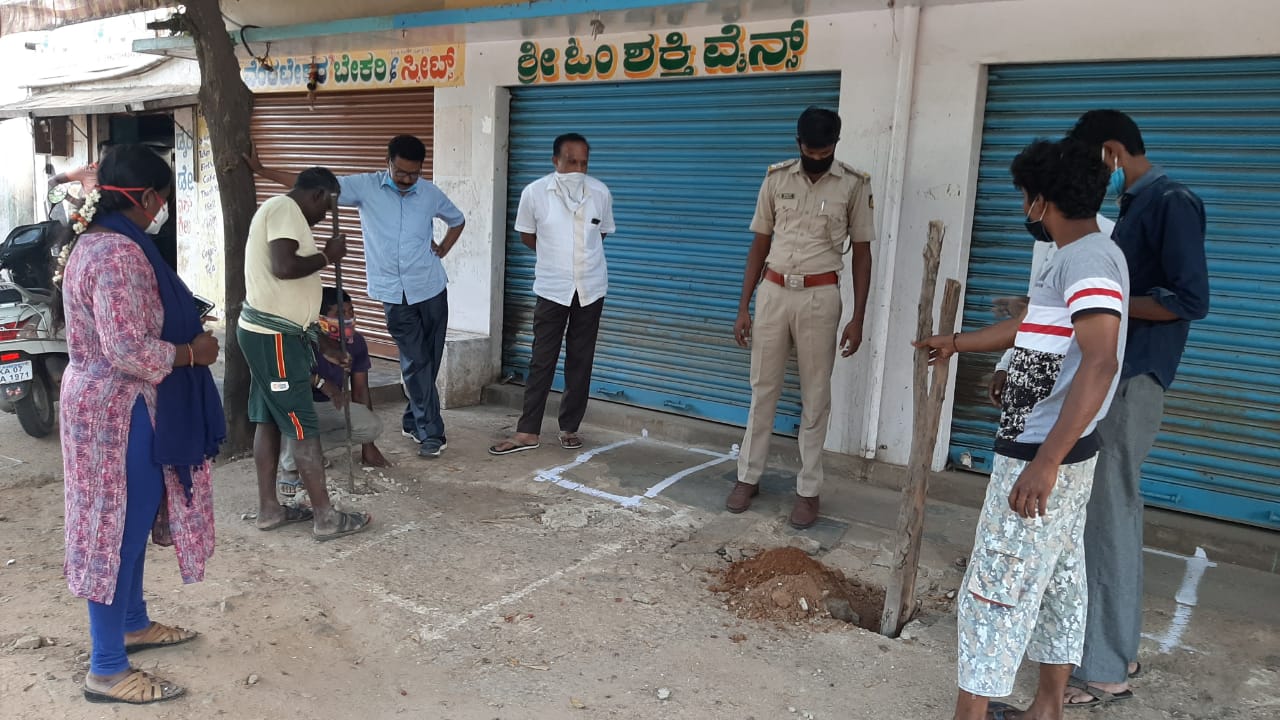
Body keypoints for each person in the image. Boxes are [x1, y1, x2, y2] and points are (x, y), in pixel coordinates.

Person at [916, 137, 1128, 720]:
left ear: (1041, 201)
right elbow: (1032, 327)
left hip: (1040, 453)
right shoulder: (1078, 253)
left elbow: (1102, 359)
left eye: (1024, 199)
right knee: (1060, 580)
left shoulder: (1087, 260)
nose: (1024, 209)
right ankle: (1047, 709)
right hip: (1058, 451)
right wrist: (956, 344)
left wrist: (1045, 461)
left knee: (994, 588)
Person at [56, 144, 225, 704]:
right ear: (149, 197)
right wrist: (193, 352)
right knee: (115, 534)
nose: (161, 210)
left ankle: (132, 622)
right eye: (162, 200)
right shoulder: (119, 255)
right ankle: (106, 667)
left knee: (124, 525)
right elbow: (128, 347)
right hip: (116, 411)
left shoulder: (97, 242)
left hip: (111, 405)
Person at [1061, 109, 1209, 708]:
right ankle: (1116, 648)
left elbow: (1189, 298)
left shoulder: (1173, 201)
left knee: (1108, 512)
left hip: (1135, 375)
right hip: (1123, 372)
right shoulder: (1136, 206)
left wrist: (1109, 301)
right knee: (1112, 510)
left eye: (1092, 163)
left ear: (1113, 153)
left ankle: (1101, 671)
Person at [246, 135, 466, 459]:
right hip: (393, 292)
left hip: (431, 287)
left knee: (427, 361)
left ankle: (413, 418)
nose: (406, 180)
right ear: (387, 162)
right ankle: (431, 431)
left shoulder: (430, 193)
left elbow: (457, 219)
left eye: (414, 173)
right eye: (401, 172)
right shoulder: (364, 188)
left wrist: (443, 247)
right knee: (417, 361)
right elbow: (309, 185)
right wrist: (264, 171)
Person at [725, 106, 875, 530]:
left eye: (824, 150)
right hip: (773, 292)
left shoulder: (854, 186)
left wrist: (858, 316)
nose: (816, 157)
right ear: (798, 145)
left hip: (821, 296)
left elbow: (862, 253)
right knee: (763, 390)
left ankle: (808, 490)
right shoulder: (776, 179)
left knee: (815, 397)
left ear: (836, 145)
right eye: (810, 150)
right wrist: (743, 306)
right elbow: (759, 243)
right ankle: (747, 477)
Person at [238, 167, 372, 541]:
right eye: (327, 208)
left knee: (267, 419)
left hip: (275, 335)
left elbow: (292, 300)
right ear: (318, 195)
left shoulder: (285, 213)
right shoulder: (285, 209)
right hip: (274, 339)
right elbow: (284, 267)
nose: (325, 217)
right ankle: (325, 517)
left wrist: (325, 346)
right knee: (301, 424)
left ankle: (270, 510)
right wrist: (327, 257)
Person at [489, 133, 615, 455]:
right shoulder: (534, 194)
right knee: (541, 359)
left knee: (580, 359)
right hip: (551, 288)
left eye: (584, 162)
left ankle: (570, 426)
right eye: (571, 161)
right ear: (555, 161)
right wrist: (557, 257)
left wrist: (578, 259)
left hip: (591, 287)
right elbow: (528, 236)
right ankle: (528, 430)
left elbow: (601, 235)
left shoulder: (599, 192)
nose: (578, 168)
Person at [989, 213, 1115, 407]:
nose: (1029, 207)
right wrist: (1006, 365)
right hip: (1037, 375)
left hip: (1082, 379)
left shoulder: (1110, 238)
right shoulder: (1044, 243)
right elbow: (1032, 314)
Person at [278, 287, 391, 499]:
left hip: (331, 405)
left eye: (351, 312)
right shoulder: (303, 340)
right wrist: (321, 382)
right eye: (339, 314)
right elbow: (288, 378)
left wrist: (369, 446)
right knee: (294, 414)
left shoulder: (356, 343)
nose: (348, 318)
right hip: (301, 404)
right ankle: (290, 466)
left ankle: (313, 450)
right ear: (320, 318)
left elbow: (360, 389)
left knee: (372, 426)